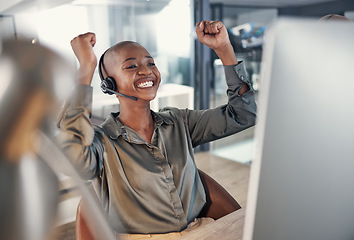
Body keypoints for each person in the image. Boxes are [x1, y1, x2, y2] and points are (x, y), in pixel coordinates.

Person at [57, 20, 257, 239]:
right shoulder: (103, 143)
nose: (146, 71)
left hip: (200, 231)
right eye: (131, 66)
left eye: (150, 63)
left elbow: (243, 115)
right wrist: (86, 68)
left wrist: (224, 49)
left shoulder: (179, 121)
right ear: (109, 85)